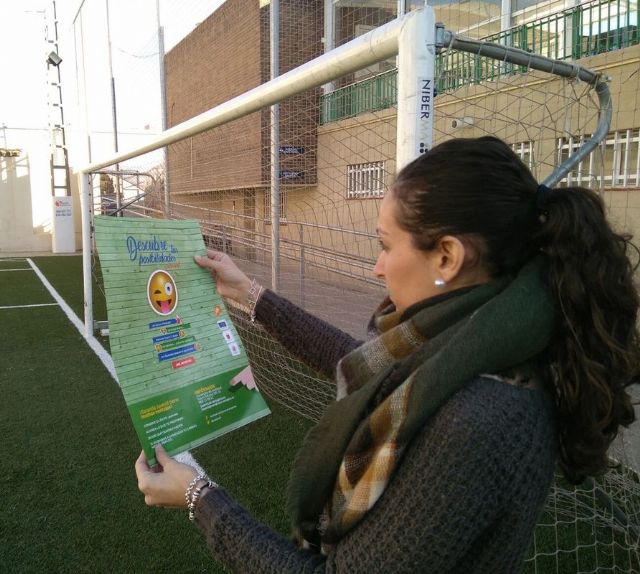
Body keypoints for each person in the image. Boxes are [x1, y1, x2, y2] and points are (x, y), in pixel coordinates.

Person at [135, 136, 639, 573]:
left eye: (385, 244)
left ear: (447, 256)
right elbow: (364, 361)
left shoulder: (479, 421)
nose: (378, 267)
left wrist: (200, 497)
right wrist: (251, 295)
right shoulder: (488, 338)